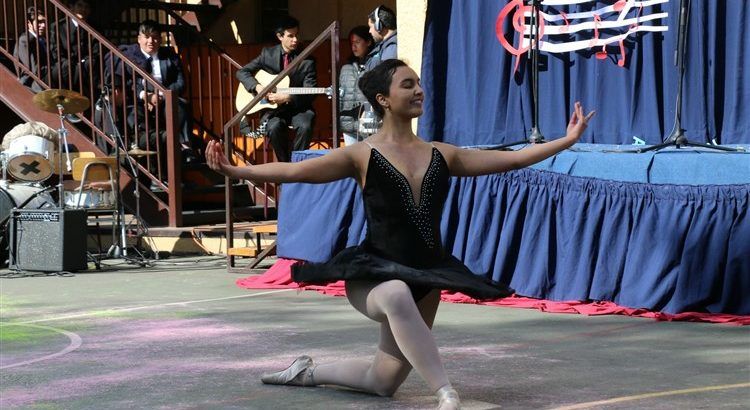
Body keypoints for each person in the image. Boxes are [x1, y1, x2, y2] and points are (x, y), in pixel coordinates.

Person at [206, 59, 595, 409]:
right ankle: (446, 393)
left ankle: (307, 372)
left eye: (419, 83)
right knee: (394, 294)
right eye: (408, 85)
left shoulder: (443, 154)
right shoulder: (361, 154)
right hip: (374, 274)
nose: (419, 90)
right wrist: (238, 171)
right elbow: (295, 172)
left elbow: (510, 159)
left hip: (426, 275)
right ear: (384, 100)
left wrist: (566, 141)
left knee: (383, 380)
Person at [236, 15, 317, 162]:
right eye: (290, 36)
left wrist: (288, 97)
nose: (295, 40)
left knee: (305, 125)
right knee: (273, 127)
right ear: (280, 36)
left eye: (297, 35)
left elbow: (310, 91)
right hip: (272, 110)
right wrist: (258, 87)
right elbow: (242, 72)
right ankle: (284, 164)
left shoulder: (307, 60)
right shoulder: (267, 54)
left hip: (298, 108)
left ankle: (297, 165)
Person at [120, 20, 198, 165]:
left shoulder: (169, 55)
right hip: (141, 100)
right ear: (139, 39)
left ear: (160, 39)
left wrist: (161, 95)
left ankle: (185, 147)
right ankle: (141, 148)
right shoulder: (131, 56)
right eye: (147, 37)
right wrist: (145, 96)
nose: (151, 41)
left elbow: (181, 83)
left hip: (165, 97)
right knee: (133, 112)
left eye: (155, 37)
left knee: (181, 105)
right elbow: (128, 83)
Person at [339, 25, 374, 146]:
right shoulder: (346, 68)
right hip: (348, 125)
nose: (354, 46)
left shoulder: (374, 65)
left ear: (368, 42)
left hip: (369, 125)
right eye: (352, 43)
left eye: (357, 42)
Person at [13, 7, 48, 92]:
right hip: (32, 86)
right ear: (29, 23)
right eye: (39, 22)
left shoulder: (43, 39)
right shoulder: (25, 40)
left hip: (45, 81)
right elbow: (34, 69)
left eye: (44, 22)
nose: (43, 25)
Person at [365, 5, 398, 71]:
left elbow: (386, 73)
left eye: (371, 27)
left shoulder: (391, 47)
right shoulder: (384, 45)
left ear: (379, 26)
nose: (369, 31)